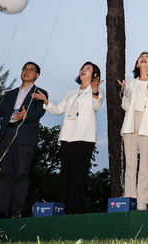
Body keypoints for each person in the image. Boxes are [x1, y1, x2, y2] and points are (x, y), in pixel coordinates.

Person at [0, 62, 47, 218]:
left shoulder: (40, 92)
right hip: (7, 135)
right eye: (24, 69)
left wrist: (25, 115)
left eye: (31, 70)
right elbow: (0, 111)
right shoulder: (10, 94)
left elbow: (39, 112)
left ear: (37, 75)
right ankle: (1, 211)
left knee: (21, 173)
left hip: (25, 137)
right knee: (6, 174)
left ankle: (16, 210)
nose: (27, 72)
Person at [31, 61, 104, 214]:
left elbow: (96, 105)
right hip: (67, 137)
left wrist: (95, 91)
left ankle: (75, 211)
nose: (83, 70)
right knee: (65, 175)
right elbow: (58, 110)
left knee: (79, 175)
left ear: (95, 75)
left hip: (84, 138)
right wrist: (46, 101)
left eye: (88, 69)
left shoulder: (97, 90)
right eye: (82, 68)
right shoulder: (71, 92)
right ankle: (62, 210)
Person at [118, 52, 148, 211]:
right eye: (140, 57)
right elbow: (125, 106)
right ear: (137, 64)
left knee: (144, 164)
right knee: (130, 164)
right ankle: (129, 198)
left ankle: (142, 202)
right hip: (130, 123)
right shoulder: (130, 83)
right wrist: (125, 92)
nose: (143, 58)